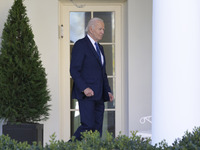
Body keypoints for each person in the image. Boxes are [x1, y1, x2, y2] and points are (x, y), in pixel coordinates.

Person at [70, 17, 114, 141]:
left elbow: (102, 73)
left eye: (103, 29)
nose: (102, 32)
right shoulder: (81, 45)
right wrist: (84, 88)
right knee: (87, 126)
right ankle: (67, 147)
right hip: (87, 95)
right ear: (91, 29)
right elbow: (74, 70)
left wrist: (108, 90)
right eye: (100, 29)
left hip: (99, 94)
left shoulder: (100, 48)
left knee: (97, 128)